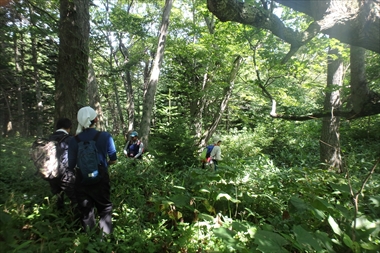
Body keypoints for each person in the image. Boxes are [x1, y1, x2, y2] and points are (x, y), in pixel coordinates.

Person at [68, 106, 117, 235]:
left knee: (86, 211)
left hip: (81, 180)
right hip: (101, 179)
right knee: (104, 208)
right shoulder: (105, 136)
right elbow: (114, 159)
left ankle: (89, 240)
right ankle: (105, 240)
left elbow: (71, 164)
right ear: (95, 119)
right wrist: (104, 164)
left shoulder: (74, 140)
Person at [48, 118, 77, 210]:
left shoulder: (49, 138)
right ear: (69, 127)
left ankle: (59, 216)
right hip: (66, 173)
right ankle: (74, 219)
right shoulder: (70, 139)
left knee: (58, 197)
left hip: (51, 172)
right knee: (74, 197)